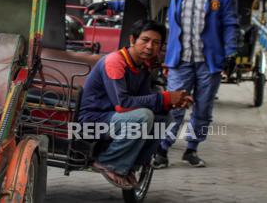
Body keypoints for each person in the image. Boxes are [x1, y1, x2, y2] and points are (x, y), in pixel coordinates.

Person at [152, 0, 239, 169]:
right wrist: (111, 5)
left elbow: (230, 25)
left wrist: (231, 52)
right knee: (174, 106)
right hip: (180, 60)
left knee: (203, 107)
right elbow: (151, 4)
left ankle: (192, 149)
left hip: (209, 63)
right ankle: (162, 150)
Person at [78, 20, 192, 189]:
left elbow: (144, 99)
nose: (150, 47)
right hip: (92, 121)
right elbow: (122, 104)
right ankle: (108, 162)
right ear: (132, 40)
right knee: (144, 116)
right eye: (145, 40)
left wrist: (173, 103)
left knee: (164, 118)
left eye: (156, 43)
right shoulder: (115, 61)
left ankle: (132, 164)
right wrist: (165, 98)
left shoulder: (143, 66)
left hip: (115, 120)